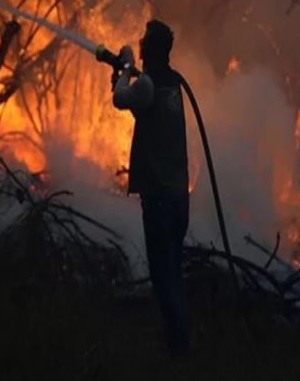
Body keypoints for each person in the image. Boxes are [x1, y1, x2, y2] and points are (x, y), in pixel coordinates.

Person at [112, 19, 190, 353]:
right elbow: (145, 110)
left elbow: (120, 100)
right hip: (177, 197)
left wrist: (125, 69)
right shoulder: (172, 83)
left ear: (150, 48)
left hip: (158, 198)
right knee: (172, 270)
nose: (139, 43)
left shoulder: (148, 83)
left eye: (143, 40)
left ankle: (180, 346)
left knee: (162, 276)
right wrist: (124, 74)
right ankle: (177, 339)